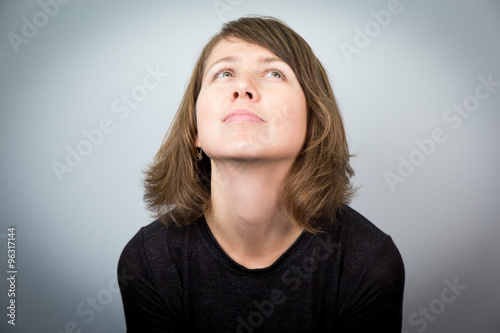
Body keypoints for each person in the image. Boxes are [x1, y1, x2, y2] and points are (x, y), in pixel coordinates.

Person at [118, 15, 405, 332]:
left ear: (313, 123)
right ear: (195, 130)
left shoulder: (368, 263)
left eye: (274, 73)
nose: (243, 87)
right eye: (224, 73)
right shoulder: (149, 261)